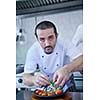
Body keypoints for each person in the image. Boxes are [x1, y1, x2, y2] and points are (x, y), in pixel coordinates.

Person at [23, 21, 83, 87]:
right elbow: (26, 78)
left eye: (50, 37)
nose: (47, 43)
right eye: (42, 39)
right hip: (46, 85)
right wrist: (33, 79)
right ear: (37, 39)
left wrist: (67, 69)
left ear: (56, 36)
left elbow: (81, 58)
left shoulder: (64, 43)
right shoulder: (33, 50)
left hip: (67, 83)